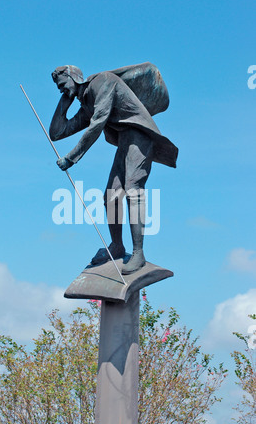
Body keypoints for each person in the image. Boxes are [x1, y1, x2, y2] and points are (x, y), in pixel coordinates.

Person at [49, 64, 178, 274]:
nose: (60, 88)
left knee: (132, 190)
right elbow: (57, 133)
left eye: (62, 84)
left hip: (140, 135)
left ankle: (139, 253)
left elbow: (98, 123)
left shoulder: (103, 81)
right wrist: (65, 100)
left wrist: (71, 158)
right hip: (125, 140)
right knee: (111, 196)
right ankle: (117, 246)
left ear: (74, 76)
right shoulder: (87, 104)